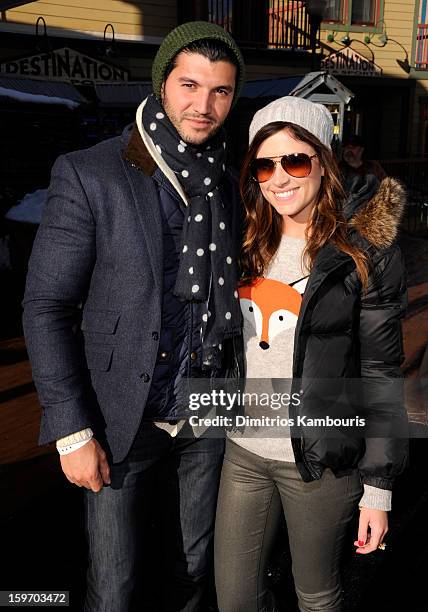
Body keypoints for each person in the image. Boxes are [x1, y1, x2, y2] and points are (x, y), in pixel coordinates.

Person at [23, 21, 245, 612]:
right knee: (114, 585)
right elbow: (46, 307)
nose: (203, 105)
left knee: (193, 570)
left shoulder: (226, 181)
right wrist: (72, 431)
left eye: (221, 91)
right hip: (120, 416)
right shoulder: (92, 172)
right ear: (162, 83)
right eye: (189, 85)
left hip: (206, 412)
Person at [214, 97, 409, 611]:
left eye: (295, 160)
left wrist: (378, 488)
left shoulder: (363, 254)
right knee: (235, 598)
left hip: (322, 463)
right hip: (244, 452)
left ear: (324, 160)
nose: (279, 177)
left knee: (316, 596)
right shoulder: (245, 240)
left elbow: (381, 371)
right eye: (264, 164)